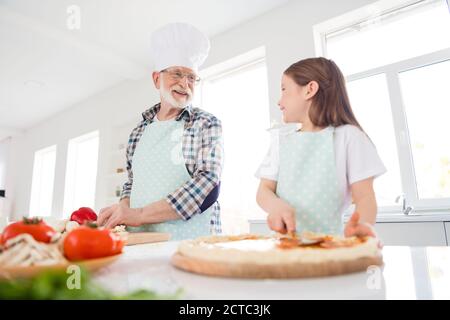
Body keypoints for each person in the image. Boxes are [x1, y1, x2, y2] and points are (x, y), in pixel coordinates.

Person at [98, 23, 223, 240]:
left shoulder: (206, 123)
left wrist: (138, 215)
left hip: (190, 242)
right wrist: (122, 210)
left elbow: (208, 184)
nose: (185, 84)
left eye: (191, 77)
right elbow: (131, 183)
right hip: (139, 240)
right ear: (157, 78)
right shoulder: (138, 132)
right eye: (177, 74)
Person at [255, 57, 386, 237]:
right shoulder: (281, 140)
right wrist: (276, 206)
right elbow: (264, 190)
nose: (279, 101)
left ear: (309, 90)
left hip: (330, 247)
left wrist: (360, 229)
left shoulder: (349, 137)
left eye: (284, 90)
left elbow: (365, 197)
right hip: (284, 247)